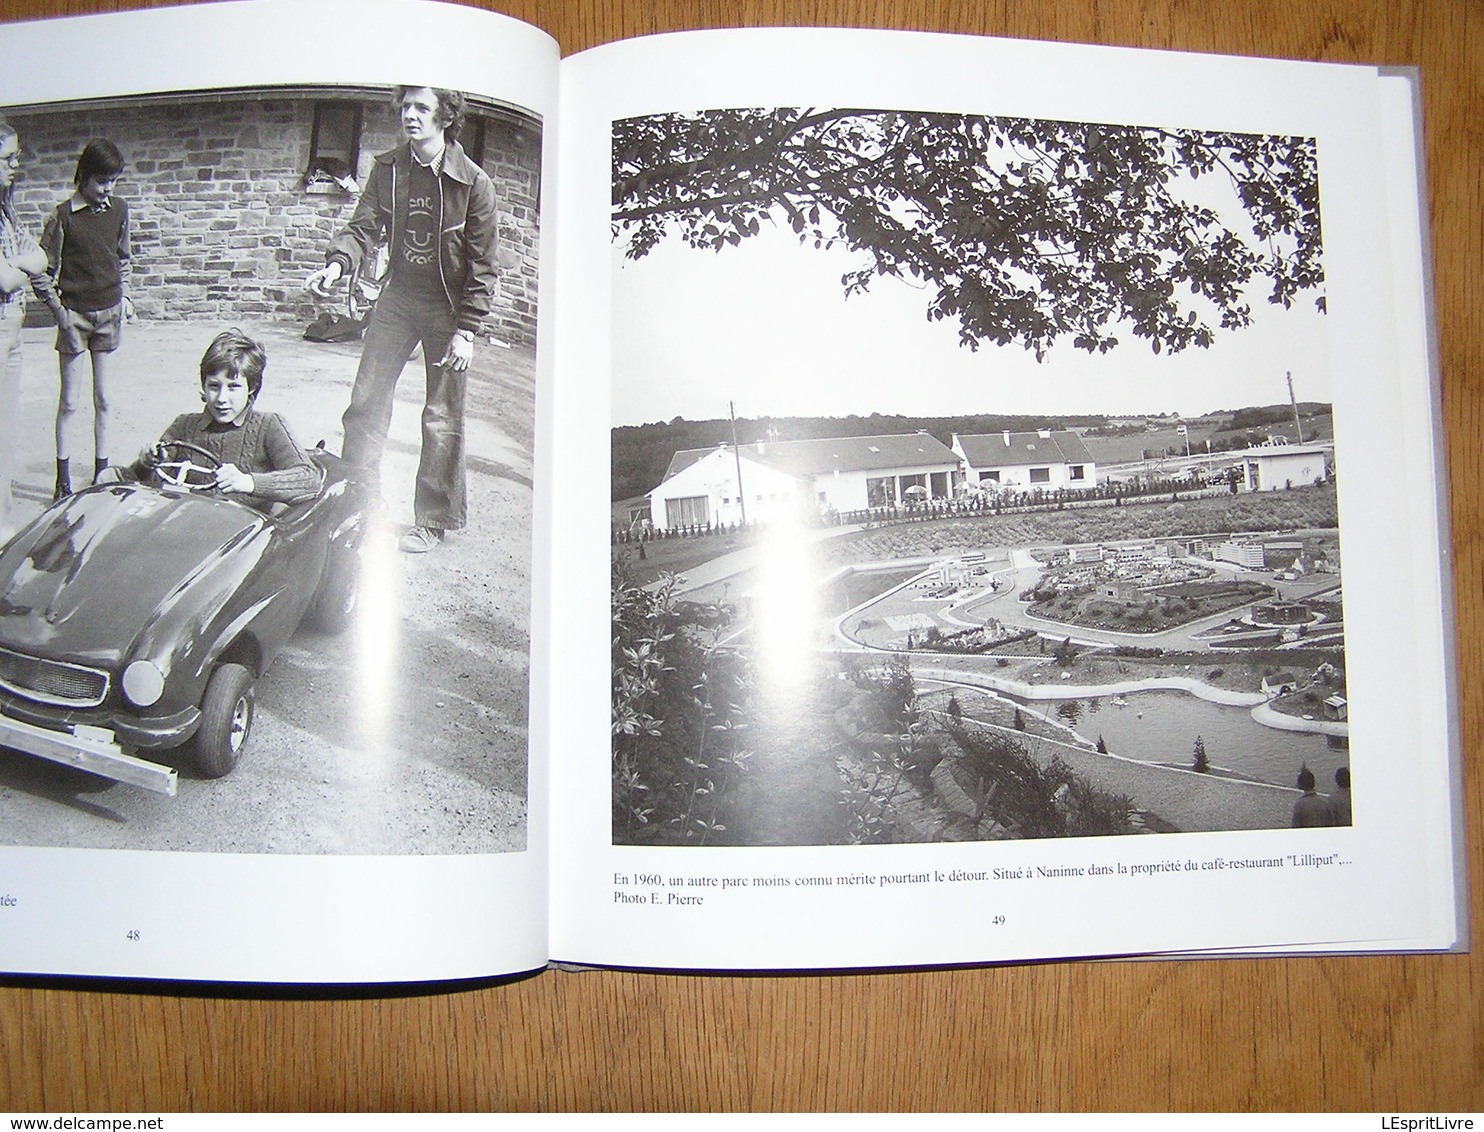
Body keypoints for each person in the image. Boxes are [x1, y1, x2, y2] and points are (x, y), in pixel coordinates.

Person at [305, 85, 498, 553]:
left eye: (422, 108)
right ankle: (359, 505)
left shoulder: (474, 184)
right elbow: (362, 227)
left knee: (441, 416)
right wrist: (337, 264)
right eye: (406, 107)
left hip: (448, 310)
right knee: (366, 401)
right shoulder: (388, 169)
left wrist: (467, 329)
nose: (410, 116)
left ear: (446, 117)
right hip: (397, 299)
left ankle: (431, 520)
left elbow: (483, 265)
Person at [112, 328, 322, 508]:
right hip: (186, 524)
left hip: (243, 540)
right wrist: (146, 463)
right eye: (213, 386)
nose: (221, 399)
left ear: (252, 387)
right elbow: (144, 484)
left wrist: (248, 482)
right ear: (203, 385)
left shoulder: (269, 425)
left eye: (233, 387)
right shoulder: (184, 425)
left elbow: (309, 479)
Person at [32, 138, 133, 499]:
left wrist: (124, 297)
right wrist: (59, 311)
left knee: (104, 399)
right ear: (84, 178)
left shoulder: (120, 210)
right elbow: (41, 269)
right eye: (102, 182)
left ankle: (101, 474)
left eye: (114, 181)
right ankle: (63, 481)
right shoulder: (62, 217)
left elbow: (123, 258)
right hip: (74, 317)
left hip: (108, 314)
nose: (109, 189)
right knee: (70, 402)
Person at [0, 118, 49, 541]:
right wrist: (20, 267)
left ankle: (2, 520)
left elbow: (41, 256)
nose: (16, 164)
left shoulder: (7, 209)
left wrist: (19, 265)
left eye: (16, 156)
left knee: (7, 433)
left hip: (12, 332)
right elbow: (5, 279)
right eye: (6, 157)